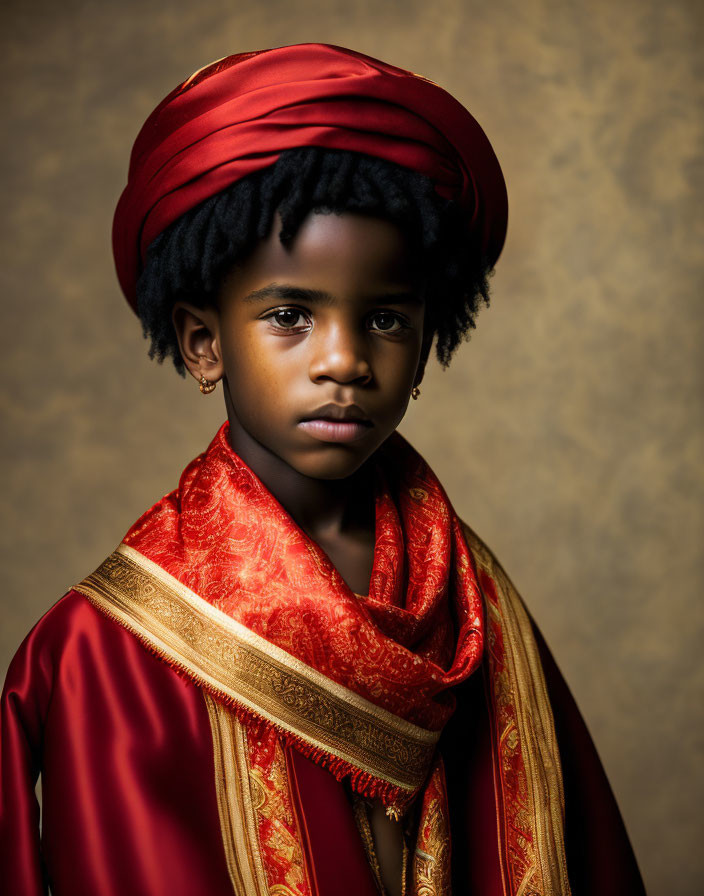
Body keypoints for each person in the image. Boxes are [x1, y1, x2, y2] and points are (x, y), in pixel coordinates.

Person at [0, 43, 646, 896]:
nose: (343, 359)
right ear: (204, 343)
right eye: (291, 315)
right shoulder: (109, 649)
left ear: (425, 349)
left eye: (384, 318)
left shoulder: (474, 601)